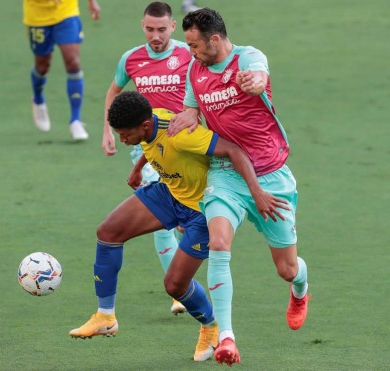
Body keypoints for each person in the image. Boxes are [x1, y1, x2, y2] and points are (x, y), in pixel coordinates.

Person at [69, 91, 288, 362]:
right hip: (170, 193)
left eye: (125, 135)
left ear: (144, 125)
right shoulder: (154, 118)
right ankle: (106, 316)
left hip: (202, 211)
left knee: (174, 285)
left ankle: (211, 326)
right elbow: (152, 145)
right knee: (108, 232)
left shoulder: (183, 134)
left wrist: (256, 193)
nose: (122, 140)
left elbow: (233, 150)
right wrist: (138, 167)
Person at [168, 8, 311, 366]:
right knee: (218, 243)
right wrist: (191, 114)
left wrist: (256, 84)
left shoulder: (248, 57)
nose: (190, 51)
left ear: (215, 40)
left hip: (270, 175)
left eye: (195, 44)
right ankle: (227, 337)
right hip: (226, 174)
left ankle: (300, 289)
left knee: (286, 269)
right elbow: (193, 107)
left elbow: (259, 76)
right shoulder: (194, 68)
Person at [101, 2, 193, 314]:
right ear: (143, 26)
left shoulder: (186, 54)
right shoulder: (131, 58)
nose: (156, 36)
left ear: (173, 26)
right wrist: (106, 130)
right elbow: (114, 92)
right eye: (150, 29)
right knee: (161, 222)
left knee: (183, 218)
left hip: (185, 149)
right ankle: (179, 291)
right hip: (146, 149)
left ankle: (182, 282)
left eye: (162, 29)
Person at [23, 0, 101, 141]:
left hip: (66, 11)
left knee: (73, 62)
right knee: (42, 66)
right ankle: (38, 98)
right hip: (37, 14)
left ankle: (76, 120)